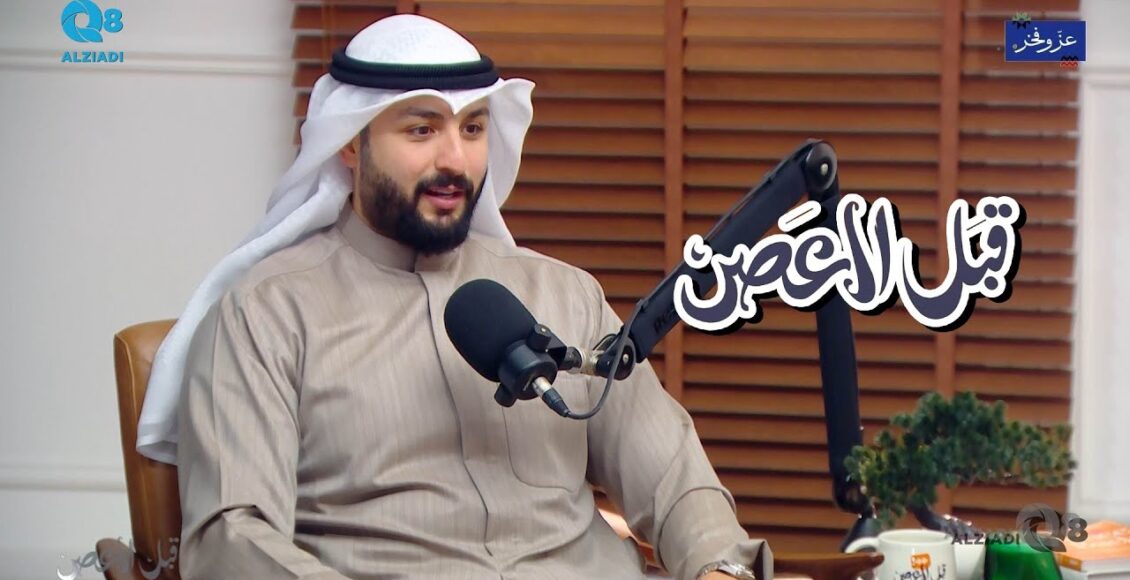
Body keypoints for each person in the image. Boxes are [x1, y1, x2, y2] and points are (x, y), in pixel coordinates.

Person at [137, 14, 771, 580]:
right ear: (351, 143)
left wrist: (720, 566)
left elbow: (673, 477)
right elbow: (233, 538)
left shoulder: (565, 294)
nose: (456, 160)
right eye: (421, 130)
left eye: (472, 129)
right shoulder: (269, 313)